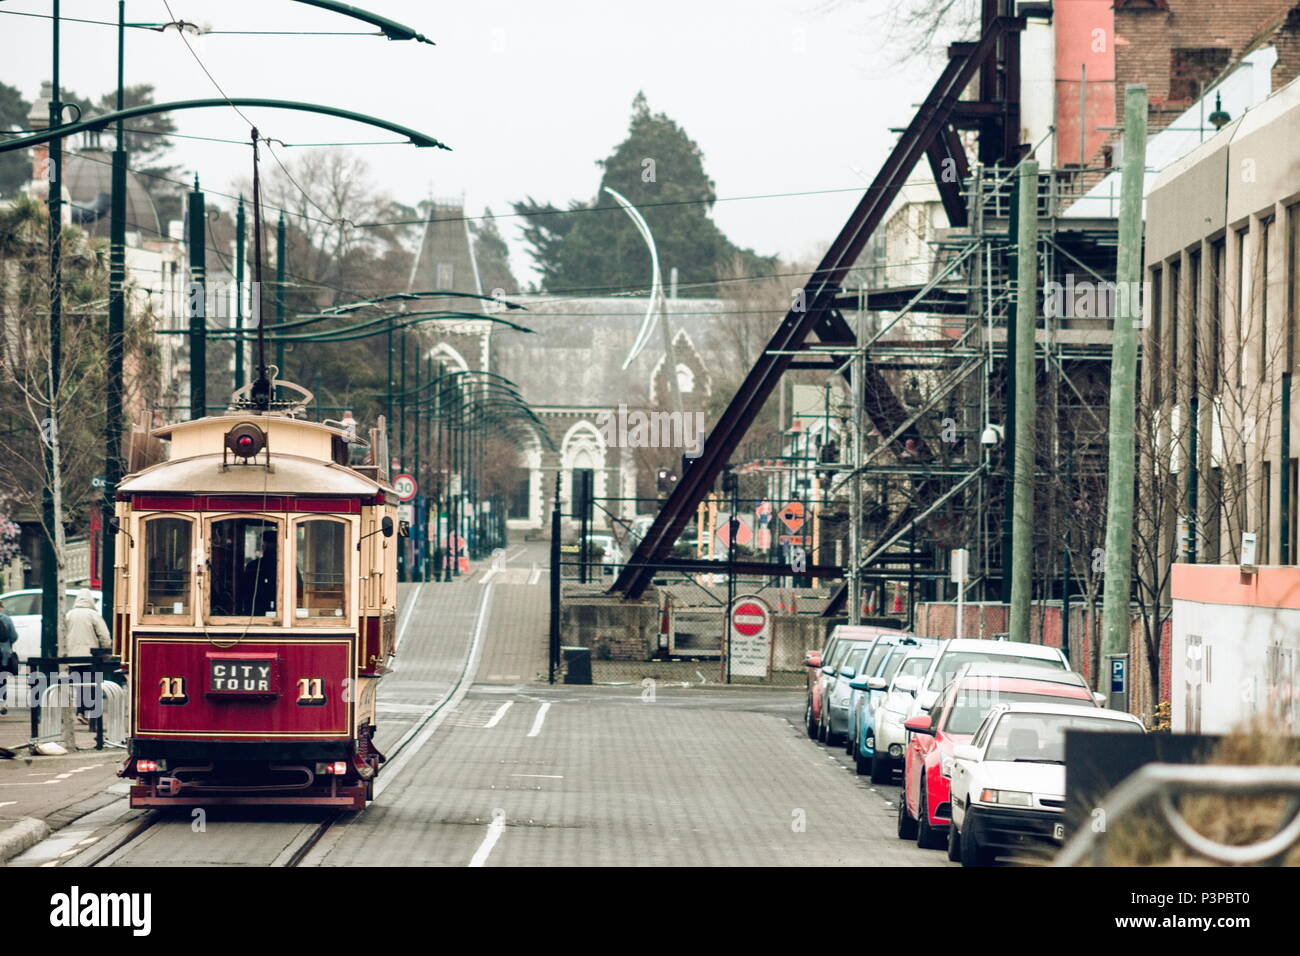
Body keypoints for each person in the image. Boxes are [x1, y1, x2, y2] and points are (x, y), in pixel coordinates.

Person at [65, 589, 110, 721]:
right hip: (91, 657)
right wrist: (106, 649)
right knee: (92, 685)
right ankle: (92, 715)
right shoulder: (93, 615)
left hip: (72, 657)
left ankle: (81, 712)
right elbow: (104, 635)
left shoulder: (69, 615)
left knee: (80, 686)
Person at [0, 599, 18, 716]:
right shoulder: (6, 619)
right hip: (3, 655)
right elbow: (13, 636)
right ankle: (2, 702)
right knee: (2, 679)